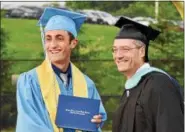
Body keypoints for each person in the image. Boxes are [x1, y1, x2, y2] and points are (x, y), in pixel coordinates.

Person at [16, 7, 107, 132]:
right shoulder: (30, 81)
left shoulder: (87, 84)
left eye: (59, 38)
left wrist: (97, 121)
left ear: (73, 43)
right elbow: (30, 125)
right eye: (48, 39)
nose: (52, 45)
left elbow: (98, 118)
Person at [112, 17, 184, 132]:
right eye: (115, 50)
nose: (118, 56)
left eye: (125, 49)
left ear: (142, 51)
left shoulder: (159, 84)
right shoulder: (131, 89)